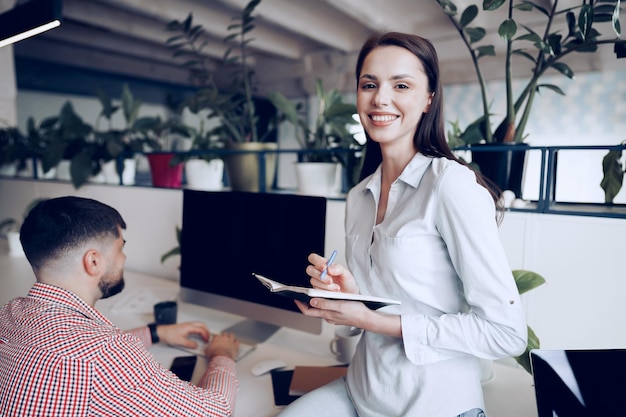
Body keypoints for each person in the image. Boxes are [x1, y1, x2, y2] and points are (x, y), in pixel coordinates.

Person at [278, 32, 527, 417]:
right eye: (369, 85)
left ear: (429, 98)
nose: (380, 98)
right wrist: (347, 298)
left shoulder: (449, 184)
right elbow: (372, 314)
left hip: (435, 405)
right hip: (361, 392)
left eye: (401, 85)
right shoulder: (359, 195)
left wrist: (372, 319)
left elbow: (506, 333)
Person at [0, 196, 240, 417]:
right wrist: (222, 353)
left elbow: (75, 350)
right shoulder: (106, 353)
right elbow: (215, 410)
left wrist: (156, 332)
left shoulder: (9, 314)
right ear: (93, 261)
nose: (124, 257)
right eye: (120, 247)